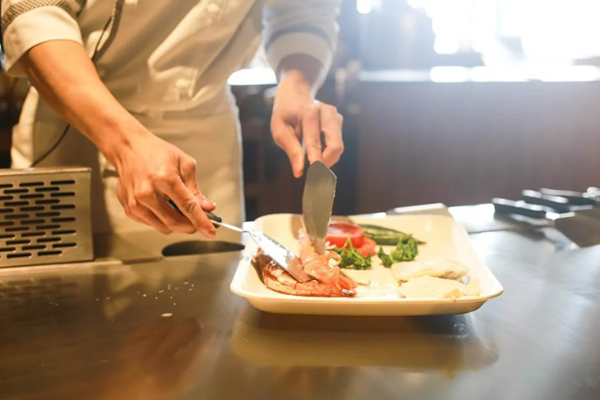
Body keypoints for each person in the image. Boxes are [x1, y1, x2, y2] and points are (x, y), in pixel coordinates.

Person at [0, 0, 344, 237]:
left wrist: (297, 86)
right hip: (81, 119)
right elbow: (34, 13)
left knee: (212, 316)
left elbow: (304, 13)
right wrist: (125, 144)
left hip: (207, 132)